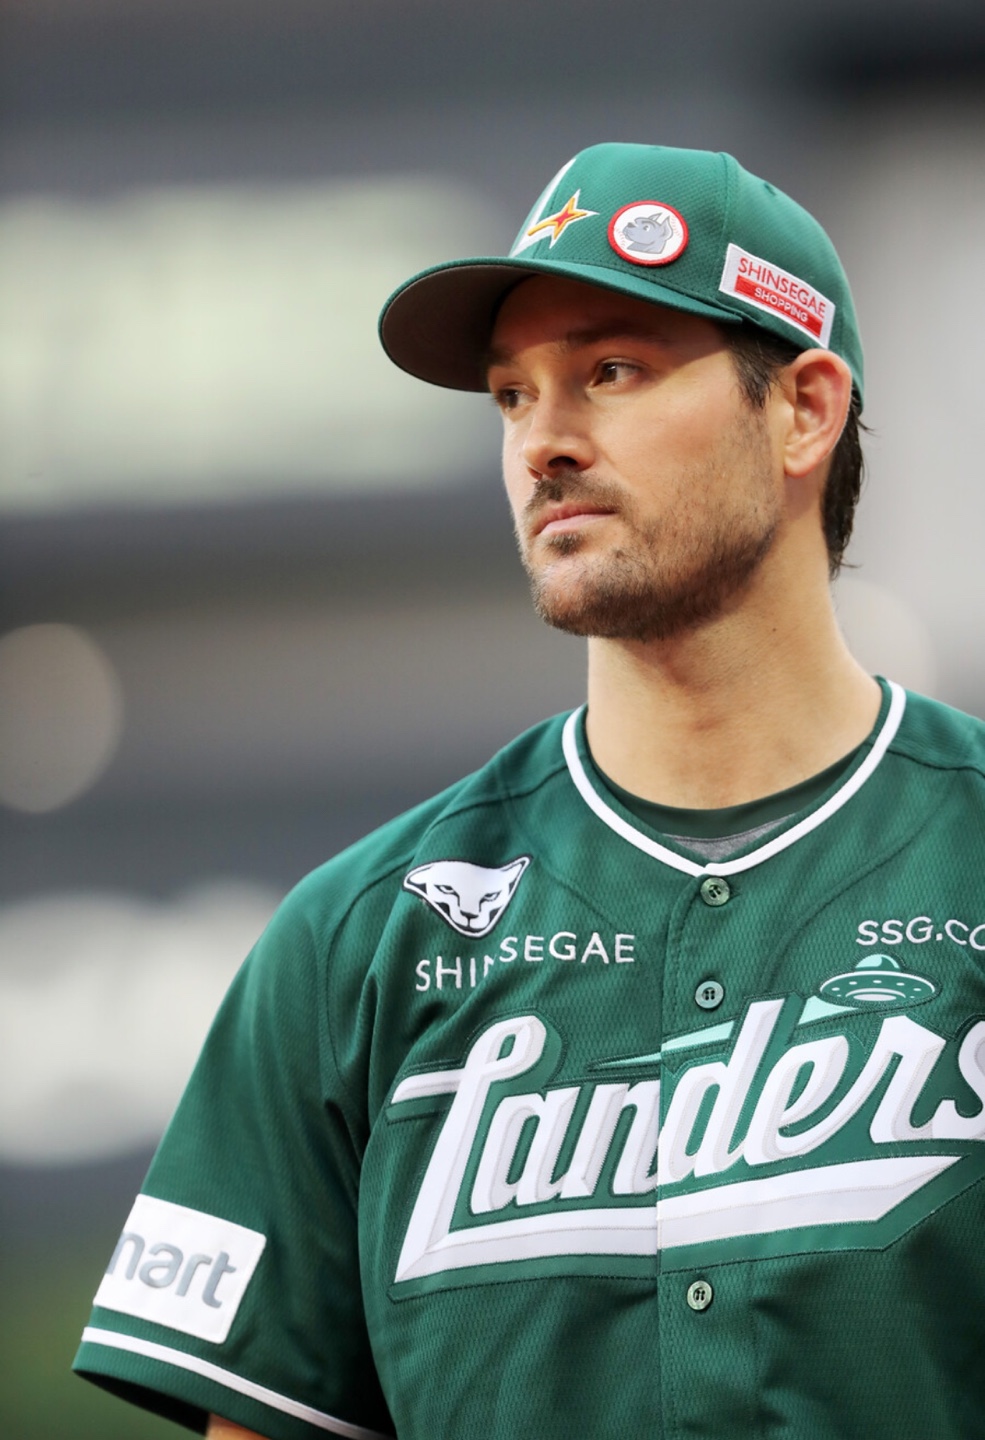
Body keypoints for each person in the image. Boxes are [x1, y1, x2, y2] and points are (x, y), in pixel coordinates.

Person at [75, 143, 985, 1440]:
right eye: (512, 395)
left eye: (611, 371)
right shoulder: (358, 941)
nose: (544, 443)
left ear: (801, 409)